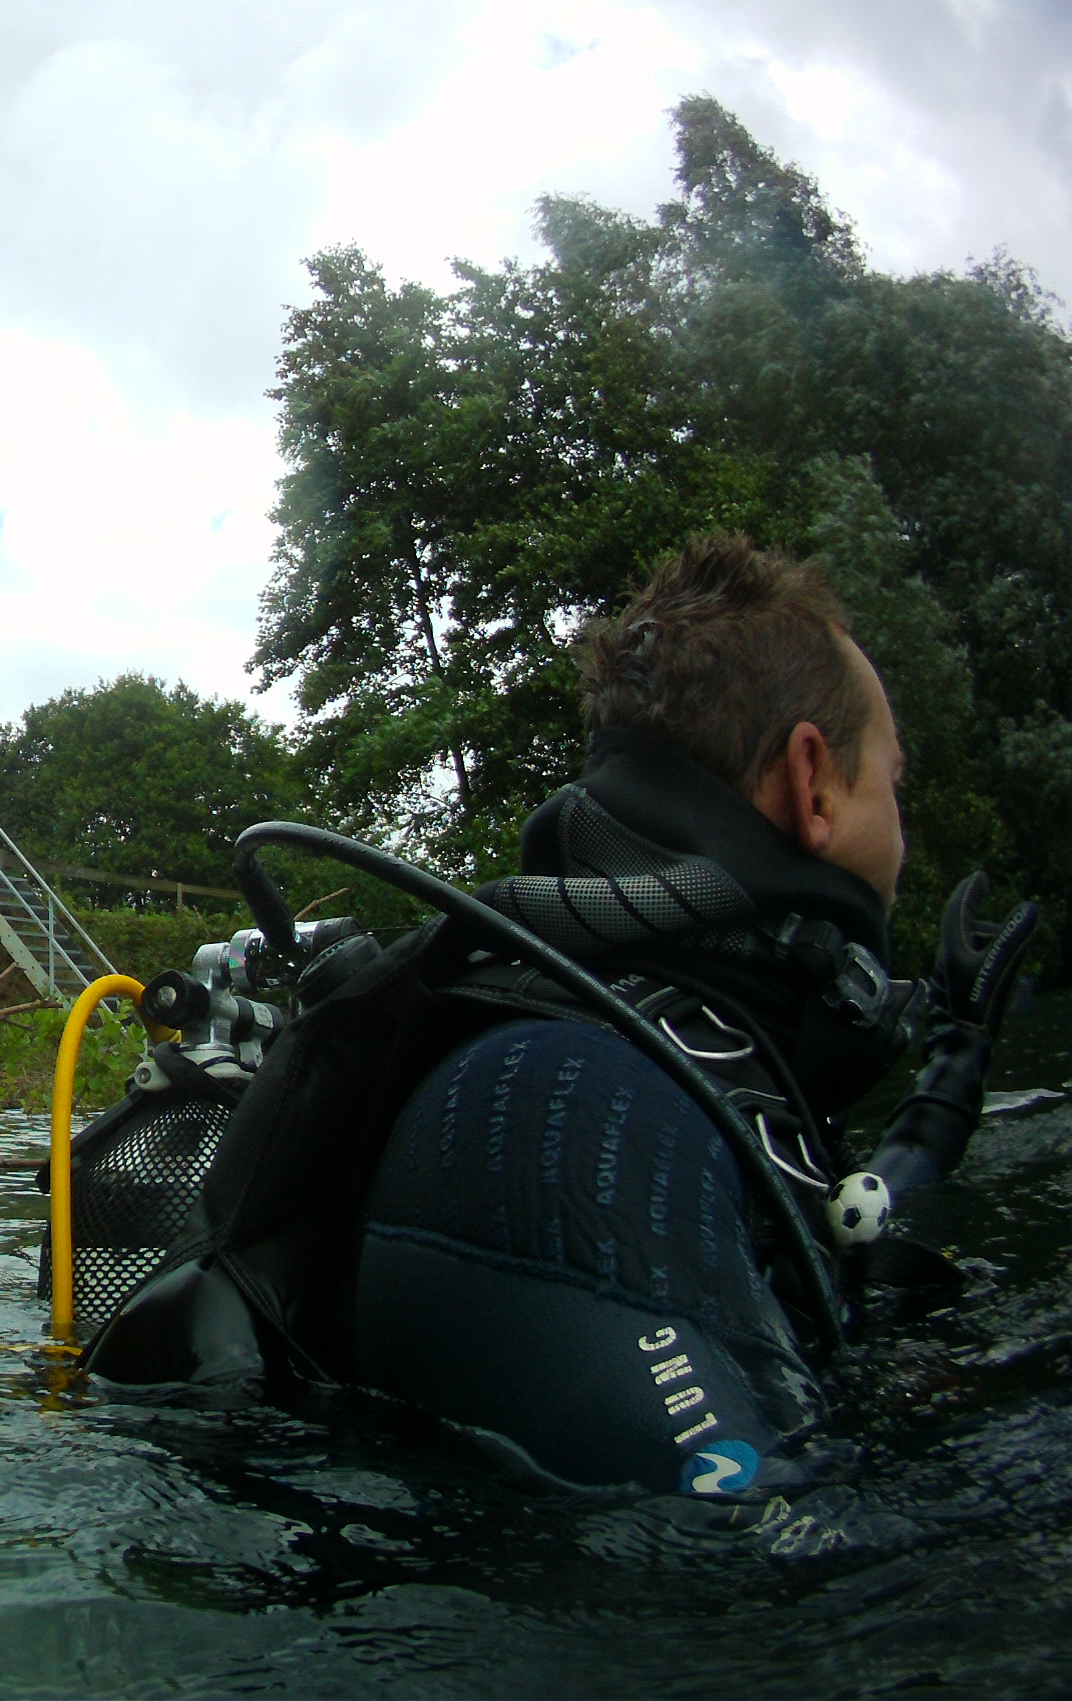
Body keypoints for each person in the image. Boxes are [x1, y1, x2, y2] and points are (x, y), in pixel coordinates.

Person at [90, 536, 1039, 1506]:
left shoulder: (683, 1062)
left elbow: (838, 1230)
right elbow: (745, 1571)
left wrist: (955, 1068)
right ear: (815, 785)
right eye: (894, 780)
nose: (905, 827)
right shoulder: (569, 1101)